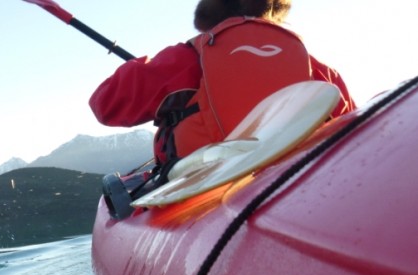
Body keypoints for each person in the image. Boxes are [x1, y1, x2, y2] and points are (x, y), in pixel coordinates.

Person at [91, 0, 356, 218]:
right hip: (304, 188)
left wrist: (142, 65)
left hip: (204, 197)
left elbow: (105, 104)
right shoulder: (317, 69)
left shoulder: (185, 59)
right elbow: (351, 125)